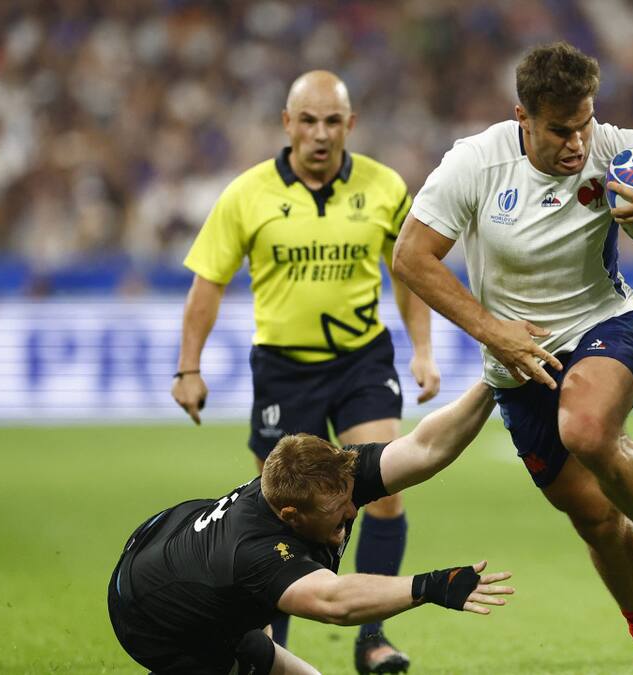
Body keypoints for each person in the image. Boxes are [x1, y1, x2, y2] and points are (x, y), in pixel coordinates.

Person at [391, 42, 633, 673]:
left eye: (585, 123)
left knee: (586, 427)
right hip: (517, 360)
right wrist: (494, 332)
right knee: (595, 521)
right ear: (523, 117)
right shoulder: (474, 164)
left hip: (602, 321)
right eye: (560, 130)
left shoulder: (617, 146)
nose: (577, 144)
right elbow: (411, 257)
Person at [170, 70, 441, 673]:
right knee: (277, 509)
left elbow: (410, 271)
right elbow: (207, 284)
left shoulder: (384, 186)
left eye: (333, 121)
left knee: (385, 488)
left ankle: (372, 638)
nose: (321, 133)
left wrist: (422, 349)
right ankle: (274, 652)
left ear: (351, 124)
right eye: (309, 120)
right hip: (283, 369)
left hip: (361, 360)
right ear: (288, 123)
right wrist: (188, 366)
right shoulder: (247, 193)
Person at [110, 382, 510, 675]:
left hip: (178, 549)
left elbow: (426, 447)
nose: (354, 511)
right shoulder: (257, 551)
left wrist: (494, 379)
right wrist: (432, 585)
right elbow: (334, 603)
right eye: (338, 509)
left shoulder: (334, 476)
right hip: (153, 618)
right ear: (290, 516)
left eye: (352, 496)